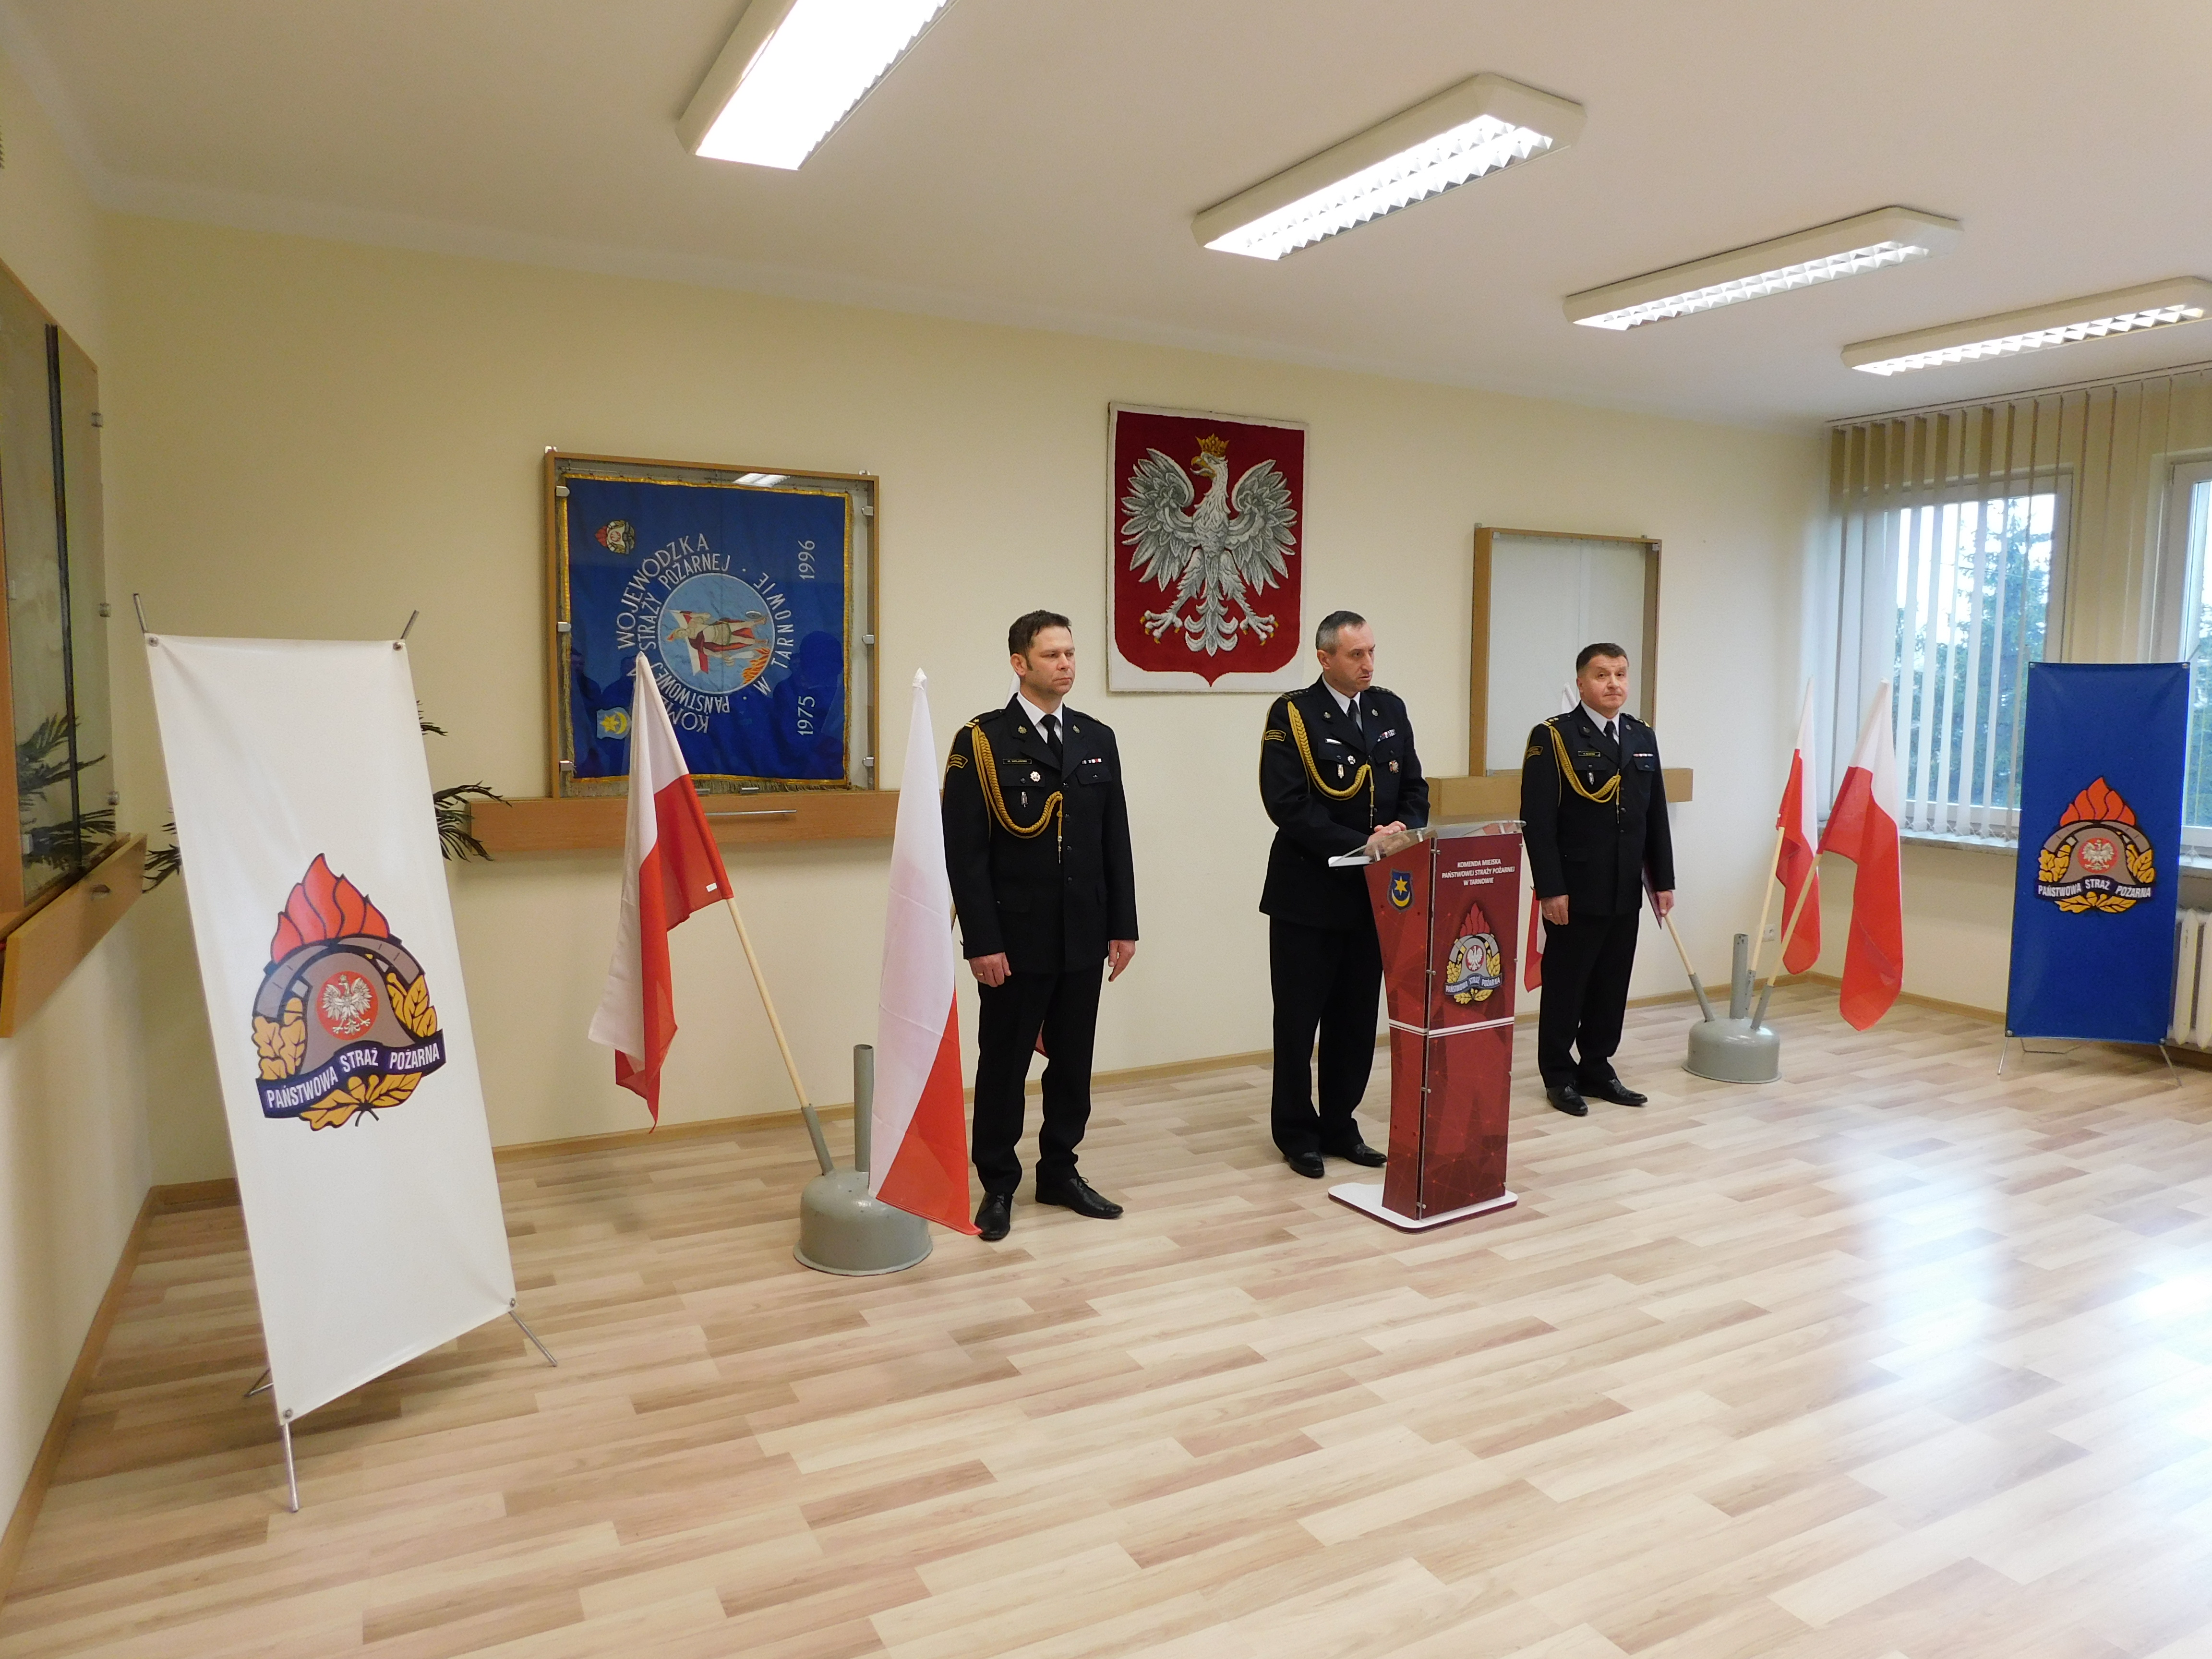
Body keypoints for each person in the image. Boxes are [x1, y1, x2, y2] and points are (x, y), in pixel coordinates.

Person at [942, 611, 1138, 1240]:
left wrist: (1123, 925)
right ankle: (998, 1183)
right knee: (1004, 1066)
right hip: (1015, 938)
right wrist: (982, 941)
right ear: (1019, 664)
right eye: (1052, 655)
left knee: (1073, 1063)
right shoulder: (981, 742)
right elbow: (964, 854)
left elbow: (1114, 840)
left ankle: (1060, 1170)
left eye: (1071, 653)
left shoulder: (1095, 737)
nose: (1066, 664)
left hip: (1082, 933)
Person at [1258, 611, 1428, 1178]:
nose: (1368, 664)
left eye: (1372, 652)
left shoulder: (1389, 709)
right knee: (1298, 1021)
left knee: (1355, 1020)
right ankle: (1296, 1133)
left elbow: (1414, 788)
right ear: (1325, 658)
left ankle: (1340, 1124)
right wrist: (1362, 844)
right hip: (1308, 893)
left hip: (1372, 896)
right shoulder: (1294, 715)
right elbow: (1287, 804)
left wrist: (1401, 831)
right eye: (1356, 655)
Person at [1519, 642, 1675, 1116]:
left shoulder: (1641, 735)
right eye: (1602, 675)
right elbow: (1538, 822)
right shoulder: (1554, 736)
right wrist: (1551, 888)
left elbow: (1655, 814)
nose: (1614, 684)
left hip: (1624, 886)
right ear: (1582, 683)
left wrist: (1663, 880)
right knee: (1567, 986)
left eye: (1621, 674)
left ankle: (1598, 1066)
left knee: (1611, 984)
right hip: (1576, 888)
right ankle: (1558, 1074)